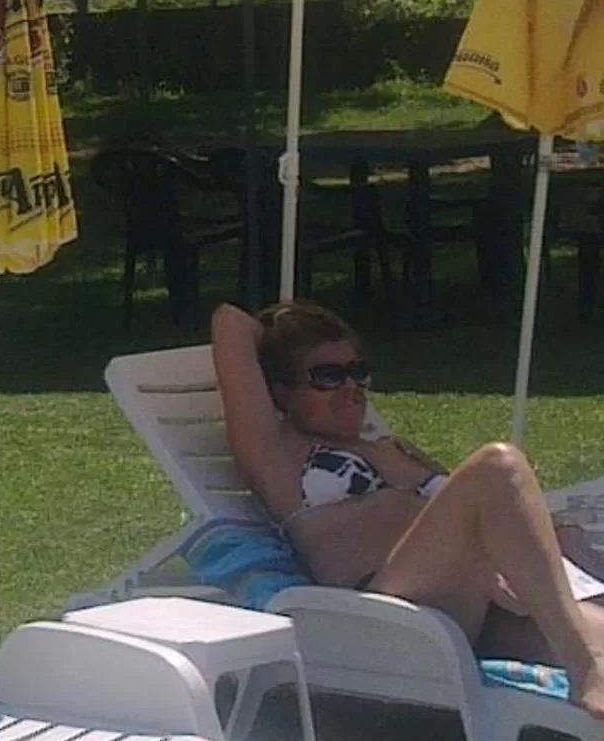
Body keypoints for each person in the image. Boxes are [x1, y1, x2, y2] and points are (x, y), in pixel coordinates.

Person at [211, 300, 604, 718]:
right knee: (498, 466)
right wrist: (285, 333)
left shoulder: (390, 449)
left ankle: (586, 659)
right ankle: (585, 666)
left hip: (475, 602)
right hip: (386, 609)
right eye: (327, 376)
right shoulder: (278, 454)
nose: (351, 387)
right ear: (281, 389)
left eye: (358, 371)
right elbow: (229, 322)